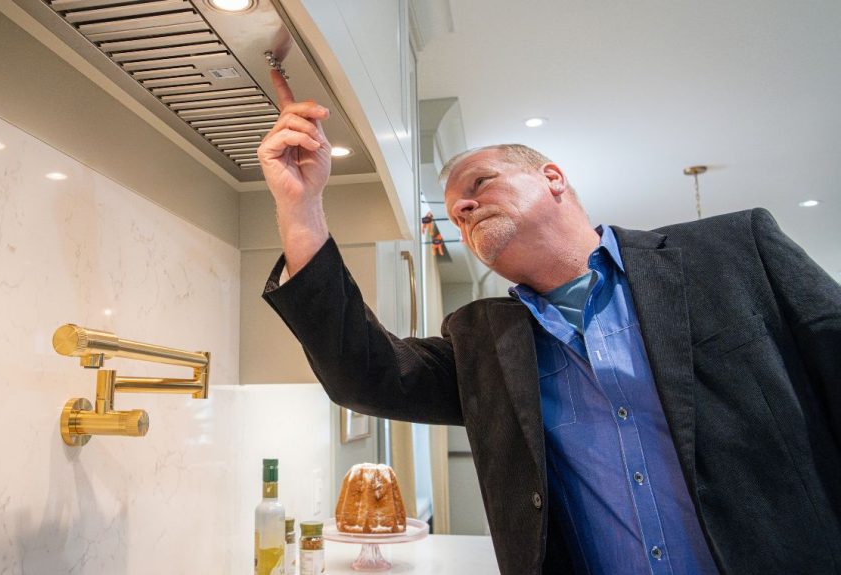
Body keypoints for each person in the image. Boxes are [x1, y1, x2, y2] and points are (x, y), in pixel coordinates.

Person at [257, 70, 841, 574]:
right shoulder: (483, 343)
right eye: (454, 209)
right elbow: (365, 374)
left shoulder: (733, 252)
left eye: (478, 184)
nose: (460, 207)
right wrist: (301, 209)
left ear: (553, 178)